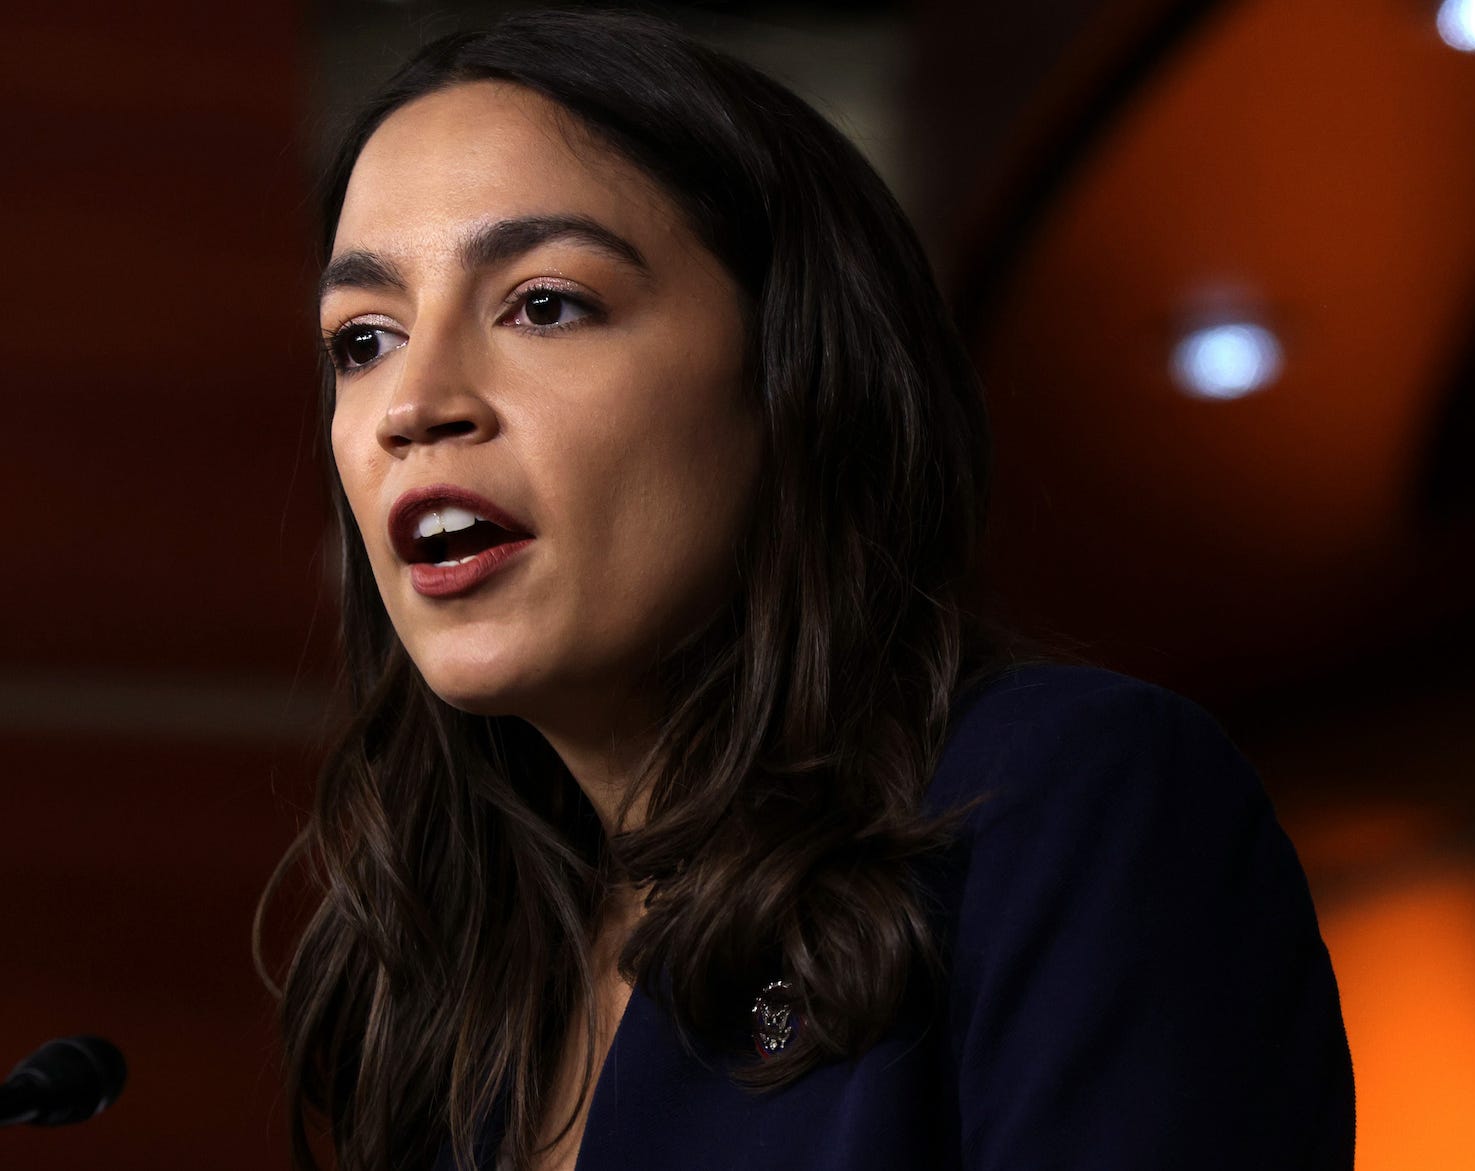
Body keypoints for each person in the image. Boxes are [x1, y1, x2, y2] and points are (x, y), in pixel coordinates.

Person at [261, 10, 1354, 1171]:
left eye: (543, 304)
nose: (412, 403)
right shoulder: (457, 980)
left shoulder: (1067, 805)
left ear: (796, 373)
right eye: (362, 338)